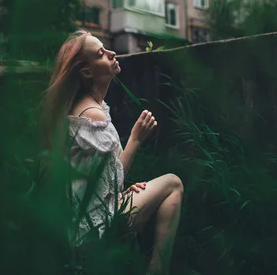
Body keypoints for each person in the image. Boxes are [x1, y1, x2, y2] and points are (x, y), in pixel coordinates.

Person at [40, 30, 183, 275]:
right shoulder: (91, 115)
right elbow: (115, 178)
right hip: (96, 227)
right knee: (174, 184)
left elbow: (96, 178)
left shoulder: (85, 107)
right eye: (101, 54)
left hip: (83, 220)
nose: (112, 53)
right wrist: (136, 139)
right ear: (87, 72)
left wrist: (116, 192)